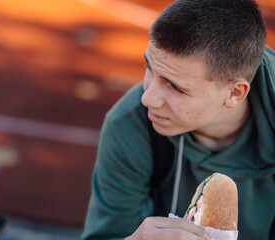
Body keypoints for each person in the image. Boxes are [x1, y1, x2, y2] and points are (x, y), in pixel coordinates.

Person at [81, 0, 275, 239]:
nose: (148, 99)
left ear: (235, 93)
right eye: (149, 68)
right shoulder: (131, 126)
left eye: (176, 88)